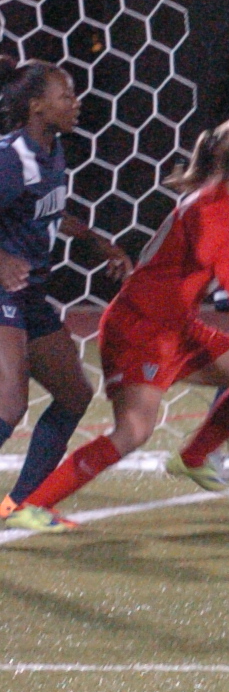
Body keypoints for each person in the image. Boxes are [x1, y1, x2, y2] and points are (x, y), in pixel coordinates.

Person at [5, 118, 229, 529]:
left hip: (177, 328)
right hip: (140, 330)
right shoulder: (213, 210)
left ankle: (193, 456)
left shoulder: (224, 206)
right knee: (133, 432)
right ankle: (31, 506)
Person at [0, 62, 131, 529]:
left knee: (74, 394)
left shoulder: (52, 152)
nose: (75, 103)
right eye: (65, 95)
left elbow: (49, 211)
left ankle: (20, 505)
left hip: (29, 293)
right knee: (9, 404)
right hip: (2, 290)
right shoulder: (10, 158)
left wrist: (97, 241)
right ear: (37, 106)